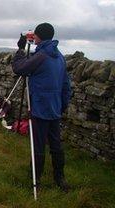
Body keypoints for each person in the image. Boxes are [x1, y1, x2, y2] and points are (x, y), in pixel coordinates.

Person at [12, 23, 72, 192]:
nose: (34, 38)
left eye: (35, 35)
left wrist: (20, 49)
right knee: (56, 144)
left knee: (38, 144)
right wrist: (62, 105)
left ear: (38, 37)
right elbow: (66, 85)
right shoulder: (59, 56)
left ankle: (35, 179)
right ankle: (60, 178)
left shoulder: (42, 56)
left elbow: (19, 68)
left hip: (40, 107)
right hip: (55, 108)